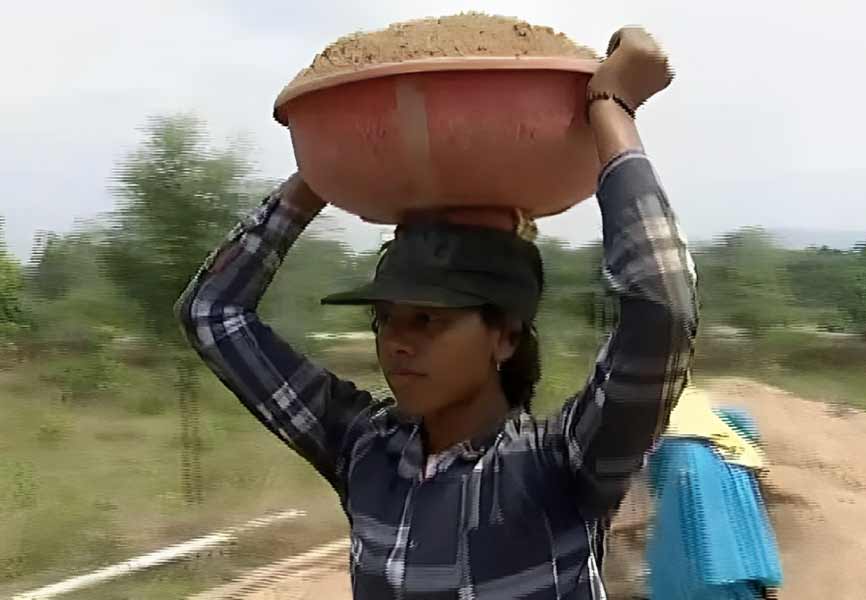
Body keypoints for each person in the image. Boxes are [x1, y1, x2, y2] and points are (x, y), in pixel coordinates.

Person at [175, 27, 698, 600]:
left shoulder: (561, 466)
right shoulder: (365, 451)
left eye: (428, 320)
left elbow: (662, 308)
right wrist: (325, 169)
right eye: (386, 320)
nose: (396, 343)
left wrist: (611, 109)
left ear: (504, 336)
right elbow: (211, 313)